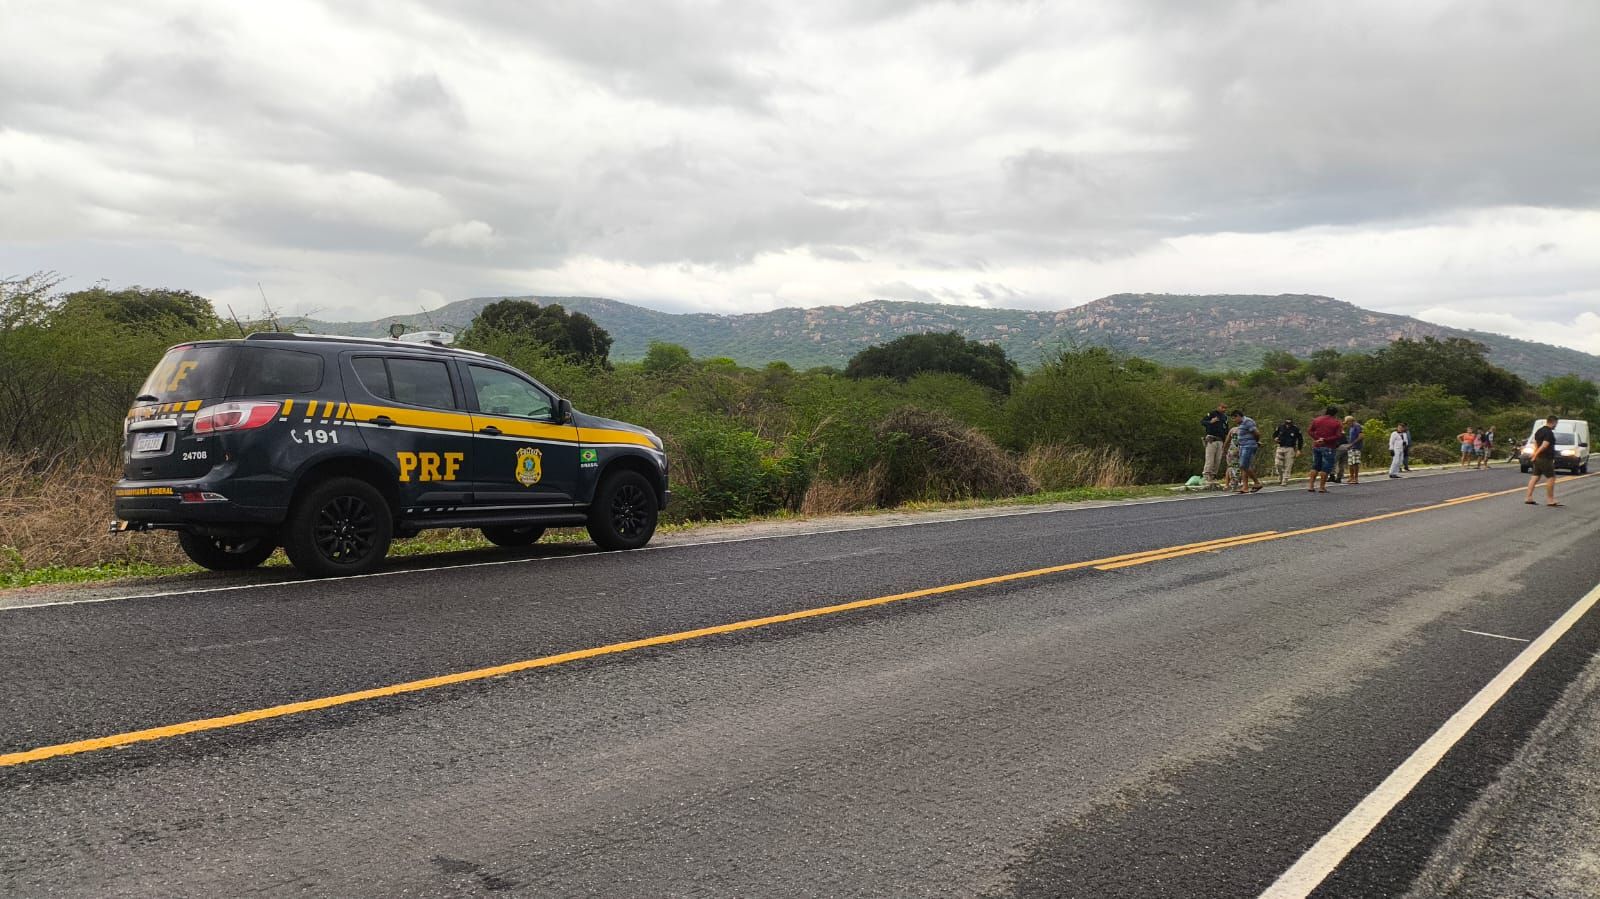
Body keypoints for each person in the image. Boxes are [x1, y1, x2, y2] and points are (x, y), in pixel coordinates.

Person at [1524, 415, 1561, 507]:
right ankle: (1550, 499)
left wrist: (1534, 454)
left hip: (1538, 458)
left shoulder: (1539, 431)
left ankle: (1528, 497)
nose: (1556, 425)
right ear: (1553, 422)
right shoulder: (1549, 433)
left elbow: (1536, 444)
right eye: (1556, 423)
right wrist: (1535, 454)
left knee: (1535, 477)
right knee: (1551, 477)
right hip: (1545, 458)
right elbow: (1544, 445)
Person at [1307, 406, 1343, 493]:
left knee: (1315, 465)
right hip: (1329, 446)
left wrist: (1317, 438)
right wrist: (1325, 439)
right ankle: (1322, 487)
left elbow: (1310, 431)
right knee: (1326, 467)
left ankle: (1311, 486)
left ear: (1326, 411)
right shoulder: (1336, 423)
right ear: (1335, 413)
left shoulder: (1317, 420)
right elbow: (1338, 436)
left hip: (1317, 445)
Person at [1228, 409, 1263, 493]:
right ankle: (1245, 487)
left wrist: (1256, 441)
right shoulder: (1241, 424)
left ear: (1238, 416)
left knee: (1244, 465)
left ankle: (1257, 482)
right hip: (1243, 446)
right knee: (1243, 466)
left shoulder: (1248, 421)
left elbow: (1257, 433)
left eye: (1234, 418)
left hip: (1249, 446)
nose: (1234, 420)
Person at [1200, 403, 1229, 489]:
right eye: (1222, 407)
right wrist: (1210, 422)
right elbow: (1202, 422)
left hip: (1220, 440)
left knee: (1217, 459)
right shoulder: (1212, 414)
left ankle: (1213, 476)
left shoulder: (1225, 417)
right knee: (1210, 458)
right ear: (1218, 407)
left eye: (1225, 408)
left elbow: (1226, 429)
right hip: (1212, 439)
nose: (1224, 409)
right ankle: (1206, 476)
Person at [1272, 418, 1303, 486]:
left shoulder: (1295, 429)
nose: (1288, 425)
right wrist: (1275, 438)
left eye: (1289, 424)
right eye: (1287, 423)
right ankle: (1281, 475)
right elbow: (1274, 435)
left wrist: (1299, 450)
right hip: (1280, 447)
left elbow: (1300, 439)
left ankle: (1285, 480)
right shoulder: (1280, 427)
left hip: (1290, 448)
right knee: (1277, 464)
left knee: (1288, 465)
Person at [1343, 415, 1364, 485]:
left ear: (1350, 421)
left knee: (1355, 463)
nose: (1347, 424)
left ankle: (1356, 478)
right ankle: (1351, 477)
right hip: (1351, 447)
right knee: (1350, 463)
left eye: (1347, 422)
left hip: (1356, 447)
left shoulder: (1357, 426)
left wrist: (1352, 444)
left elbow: (1361, 436)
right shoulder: (1351, 428)